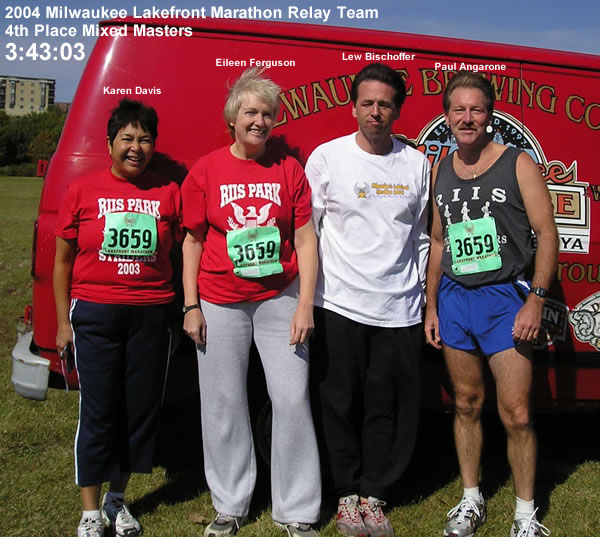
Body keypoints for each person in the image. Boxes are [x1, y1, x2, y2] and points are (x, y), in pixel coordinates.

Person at [181, 67, 321, 537]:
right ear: (233, 119)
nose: (259, 121)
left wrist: (305, 305)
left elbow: (304, 239)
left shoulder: (288, 170)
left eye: (267, 113)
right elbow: (193, 241)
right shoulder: (205, 170)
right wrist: (191, 305)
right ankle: (230, 503)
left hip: (279, 298)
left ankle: (298, 509)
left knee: (292, 398)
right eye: (251, 112)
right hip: (220, 301)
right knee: (222, 402)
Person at [424, 71, 558, 537]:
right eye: (458, 109)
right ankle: (470, 500)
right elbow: (438, 242)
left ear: (490, 114)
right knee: (465, 403)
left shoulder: (517, 163)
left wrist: (536, 300)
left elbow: (547, 235)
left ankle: (525, 515)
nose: (467, 118)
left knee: (517, 412)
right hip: (456, 299)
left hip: (507, 299)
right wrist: (432, 306)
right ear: (446, 117)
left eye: (476, 109)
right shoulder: (440, 168)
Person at [305, 63, 431, 537]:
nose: (375, 112)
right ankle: (346, 495)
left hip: (399, 307)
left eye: (385, 104)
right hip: (339, 302)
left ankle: (375, 495)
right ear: (353, 106)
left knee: (386, 405)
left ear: (397, 109)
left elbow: (421, 237)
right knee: (337, 401)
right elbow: (309, 233)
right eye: (367, 102)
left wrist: (422, 296)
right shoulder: (327, 159)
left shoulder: (416, 163)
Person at [53, 99, 182, 537]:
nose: (136, 147)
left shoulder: (168, 192)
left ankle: (117, 499)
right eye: (126, 138)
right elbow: (62, 262)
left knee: (138, 411)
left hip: (151, 314)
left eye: (145, 139)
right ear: (109, 143)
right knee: (99, 411)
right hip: (94, 314)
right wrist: (61, 321)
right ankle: (90, 511)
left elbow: (183, 253)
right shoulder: (81, 189)